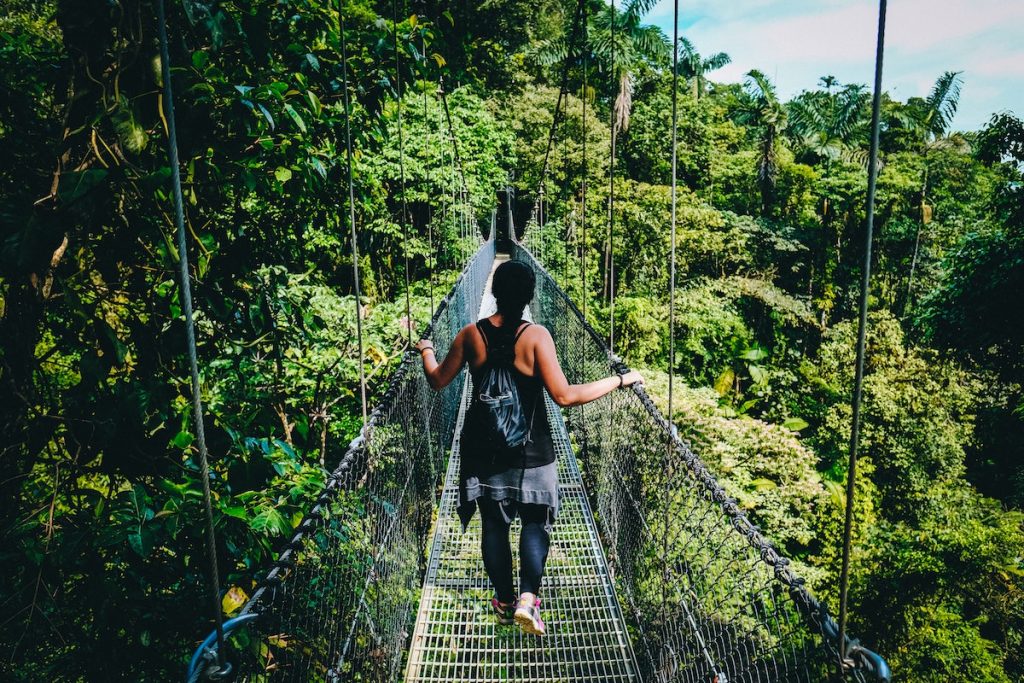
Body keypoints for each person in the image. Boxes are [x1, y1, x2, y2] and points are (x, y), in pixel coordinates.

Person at [414, 260, 642, 637]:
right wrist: (620, 380)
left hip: (484, 453)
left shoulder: (472, 335)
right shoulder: (537, 337)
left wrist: (426, 350)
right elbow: (565, 396)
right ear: (530, 296)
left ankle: (503, 601)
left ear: (492, 294)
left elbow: (438, 380)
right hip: (533, 452)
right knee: (535, 522)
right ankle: (527, 600)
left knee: (494, 525)